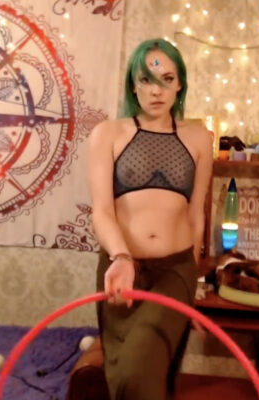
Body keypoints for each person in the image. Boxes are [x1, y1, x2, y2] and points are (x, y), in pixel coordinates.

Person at [87, 38, 213, 400]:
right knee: (127, 375)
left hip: (175, 274)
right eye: (146, 79)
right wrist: (121, 257)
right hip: (121, 270)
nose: (156, 91)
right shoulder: (107, 134)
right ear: (133, 85)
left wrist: (192, 287)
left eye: (166, 79)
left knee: (140, 370)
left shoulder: (199, 138)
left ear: (180, 84)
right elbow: (102, 211)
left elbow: (196, 215)